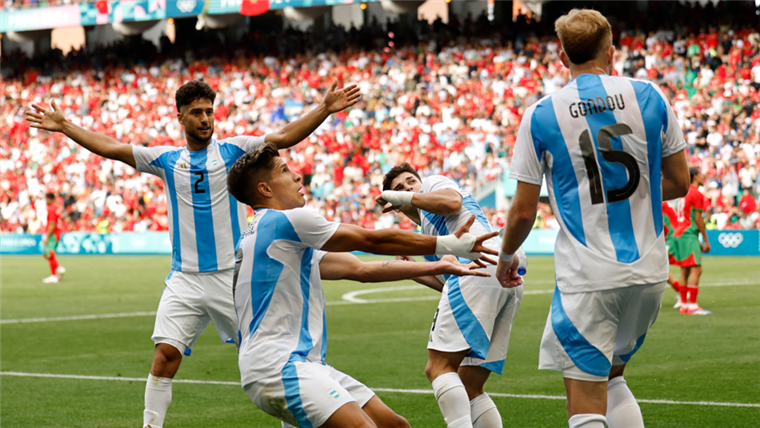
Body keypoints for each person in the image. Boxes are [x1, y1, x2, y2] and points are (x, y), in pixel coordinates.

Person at [25, 79, 361, 428]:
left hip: (231, 279)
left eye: (209, 112)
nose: (205, 119)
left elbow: (284, 137)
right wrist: (65, 126)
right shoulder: (167, 160)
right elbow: (113, 147)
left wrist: (324, 109)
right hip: (183, 279)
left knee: (272, 357)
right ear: (180, 117)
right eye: (196, 112)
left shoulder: (234, 151)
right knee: (165, 357)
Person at [495, 9, 690, 428]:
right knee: (614, 376)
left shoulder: (542, 114)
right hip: (650, 271)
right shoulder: (651, 96)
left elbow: (524, 210)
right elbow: (679, 182)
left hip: (589, 278)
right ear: (611, 52)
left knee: (584, 399)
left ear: (562, 56)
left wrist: (506, 256)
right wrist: (638, 195)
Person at [226, 143, 499, 428]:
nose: (298, 176)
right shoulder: (285, 220)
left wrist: (438, 265)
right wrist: (448, 244)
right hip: (279, 365)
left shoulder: (268, 234)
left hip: (299, 365)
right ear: (265, 190)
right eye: (285, 171)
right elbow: (371, 241)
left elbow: (360, 269)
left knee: (395, 425)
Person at [377, 163, 525, 428]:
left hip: (482, 268)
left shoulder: (435, 182)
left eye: (411, 182)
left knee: (438, 368)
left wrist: (404, 195)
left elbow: (452, 202)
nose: (408, 188)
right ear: (395, 207)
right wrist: (413, 269)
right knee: (470, 385)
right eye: (399, 189)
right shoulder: (429, 232)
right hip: (498, 275)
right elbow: (448, 285)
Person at [672, 167, 712, 315]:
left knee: (684, 270)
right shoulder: (696, 194)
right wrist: (706, 240)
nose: (702, 177)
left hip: (679, 233)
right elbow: (698, 219)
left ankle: (683, 304)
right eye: (700, 175)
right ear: (695, 176)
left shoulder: (682, 194)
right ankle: (693, 306)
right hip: (688, 233)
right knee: (696, 269)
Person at [662, 201, 683, 308]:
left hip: (671, 237)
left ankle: (683, 294)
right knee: (660, 269)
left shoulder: (658, 203)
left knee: (660, 269)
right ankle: (682, 293)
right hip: (673, 236)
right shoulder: (664, 203)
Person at [41, 192, 66, 283]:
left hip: (53, 234)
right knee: (46, 254)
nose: (46, 201)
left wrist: (47, 237)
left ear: (51, 199)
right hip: (56, 233)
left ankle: (54, 275)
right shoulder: (55, 208)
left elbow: (52, 224)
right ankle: (58, 268)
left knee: (49, 254)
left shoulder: (52, 209)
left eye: (47, 199)